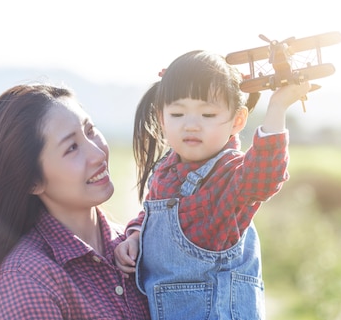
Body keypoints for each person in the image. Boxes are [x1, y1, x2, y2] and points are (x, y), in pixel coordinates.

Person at [114, 50, 311, 320]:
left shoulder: (230, 174)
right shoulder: (166, 170)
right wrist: (136, 235)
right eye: (178, 113)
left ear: (237, 121)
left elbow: (264, 176)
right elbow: (152, 214)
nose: (191, 125)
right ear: (161, 118)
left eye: (207, 115)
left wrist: (277, 107)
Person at [0, 83, 150, 320]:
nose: (98, 154)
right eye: (72, 148)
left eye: (90, 131)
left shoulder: (138, 243)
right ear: (32, 181)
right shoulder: (28, 279)